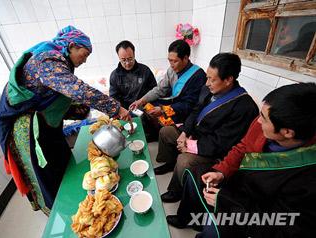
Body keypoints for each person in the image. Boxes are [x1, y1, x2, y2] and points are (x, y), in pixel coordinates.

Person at [0, 26, 130, 215]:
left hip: (48, 124)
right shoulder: (47, 60)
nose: (84, 60)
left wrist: (82, 108)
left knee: (63, 159)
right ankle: (60, 213)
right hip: (30, 129)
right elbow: (79, 90)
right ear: (72, 46)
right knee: (47, 171)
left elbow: (61, 94)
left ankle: (76, 200)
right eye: (84, 54)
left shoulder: (60, 62)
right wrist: (117, 108)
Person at [168, 83, 316, 238]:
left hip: (254, 208)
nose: (258, 121)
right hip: (239, 183)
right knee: (196, 175)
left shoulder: (307, 179)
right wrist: (221, 172)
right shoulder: (263, 125)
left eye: (264, 119)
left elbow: (279, 224)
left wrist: (227, 203)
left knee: (215, 230)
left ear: (287, 132)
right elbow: (243, 146)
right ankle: (189, 219)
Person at [156, 53, 259, 203]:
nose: (207, 83)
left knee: (185, 160)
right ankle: (170, 163)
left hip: (213, 149)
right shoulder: (208, 89)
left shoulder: (244, 107)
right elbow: (196, 111)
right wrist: (185, 132)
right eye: (207, 77)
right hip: (196, 135)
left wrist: (190, 146)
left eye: (212, 79)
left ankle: (175, 190)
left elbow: (222, 142)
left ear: (229, 79)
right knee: (166, 131)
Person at [129, 39, 206, 141]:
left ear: (186, 58)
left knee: (156, 113)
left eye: (175, 61)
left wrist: (163, 110)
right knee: (144, 107)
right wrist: (141, 100)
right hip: (172, 103)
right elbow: (160, 89)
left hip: (183, 112)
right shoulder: (172, 70)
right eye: (170, 60)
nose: (171, 64)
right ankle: (153, 134)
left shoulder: (198, 75)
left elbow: (189, 105)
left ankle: (158, 134)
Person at [109, 40, 157, 109]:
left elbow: (154, 91)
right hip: (126, 111)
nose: (127, 63)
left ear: (134, 55)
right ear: (119, 58)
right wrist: (122, 110)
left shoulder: (145, 70)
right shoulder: (114, 76)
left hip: (145, 107)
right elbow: (114, 98)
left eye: (130, 59)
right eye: (123, 60)